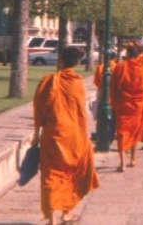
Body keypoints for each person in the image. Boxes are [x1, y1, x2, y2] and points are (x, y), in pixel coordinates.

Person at [31, 46, 100, 224]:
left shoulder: (48, 81)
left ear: (61, 60)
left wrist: (36, 134)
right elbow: (81, 112)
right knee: (72, 173)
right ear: (77, 63)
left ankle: (52, 217)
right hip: (74, 135)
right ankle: (66, 213)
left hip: (53, 134)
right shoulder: (77, 82)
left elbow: (39, 110)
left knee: (51, 175)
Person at [110, 44, 143, 172]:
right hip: (138, 104)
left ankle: (122, 163)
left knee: (122, 131)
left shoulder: (120, 66)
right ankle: (133, 158)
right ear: (137, 55)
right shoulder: (141, 68)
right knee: (134, 130)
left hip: (123, 103)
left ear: (127, 54)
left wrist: (114, 101)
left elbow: (114, 86)